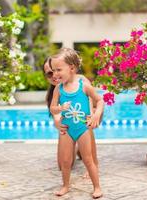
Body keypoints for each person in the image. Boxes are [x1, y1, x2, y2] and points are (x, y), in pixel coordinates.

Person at [50, 48, 104, 198]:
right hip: (67, 129)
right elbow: (52, 108)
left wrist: (96, 115)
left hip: (82, 128)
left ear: (72, 68)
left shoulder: (84, 86)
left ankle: (97, 187)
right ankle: (66, 186)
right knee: (66, 161)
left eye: (58, 70)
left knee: (88, 159)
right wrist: (59, 108)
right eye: (53, 71)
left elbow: (100, 101)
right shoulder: (58, 89)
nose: (55, 74)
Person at [43, 56, 99, 174]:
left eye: (57, 70)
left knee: (86, 125)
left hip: (88, 114)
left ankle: (94, 163)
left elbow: (90, 101)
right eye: (49, 73)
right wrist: (58, 123)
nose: (54, 75)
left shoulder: (81, 81)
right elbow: (57, 116)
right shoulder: (56, 91)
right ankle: (79, 147)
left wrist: (92, 115)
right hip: (69, 120)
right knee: (62, 164)